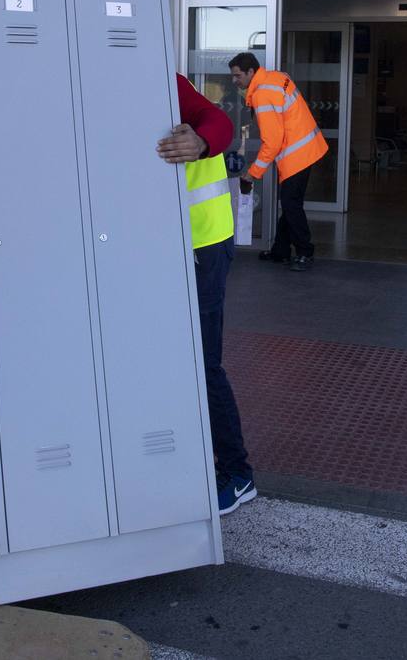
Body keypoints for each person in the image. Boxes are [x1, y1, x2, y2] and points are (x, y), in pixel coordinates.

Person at [156, 74, 257, 515]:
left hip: (203, 246)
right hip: (158, 246)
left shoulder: (161, 78)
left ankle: (237, 475)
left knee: (201, 362)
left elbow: (217, 121)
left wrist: (199, 142)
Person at [227, 52, 328, 272]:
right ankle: (281, 251)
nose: (234, 81)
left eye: (237, 76)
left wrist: (252, 174)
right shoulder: (275, 78)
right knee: (290, 203)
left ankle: (305, 252)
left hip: (297, 154)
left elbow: (272, 142)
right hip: (306, 148)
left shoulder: (263, 95)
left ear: (251, 72)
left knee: (291, 204)